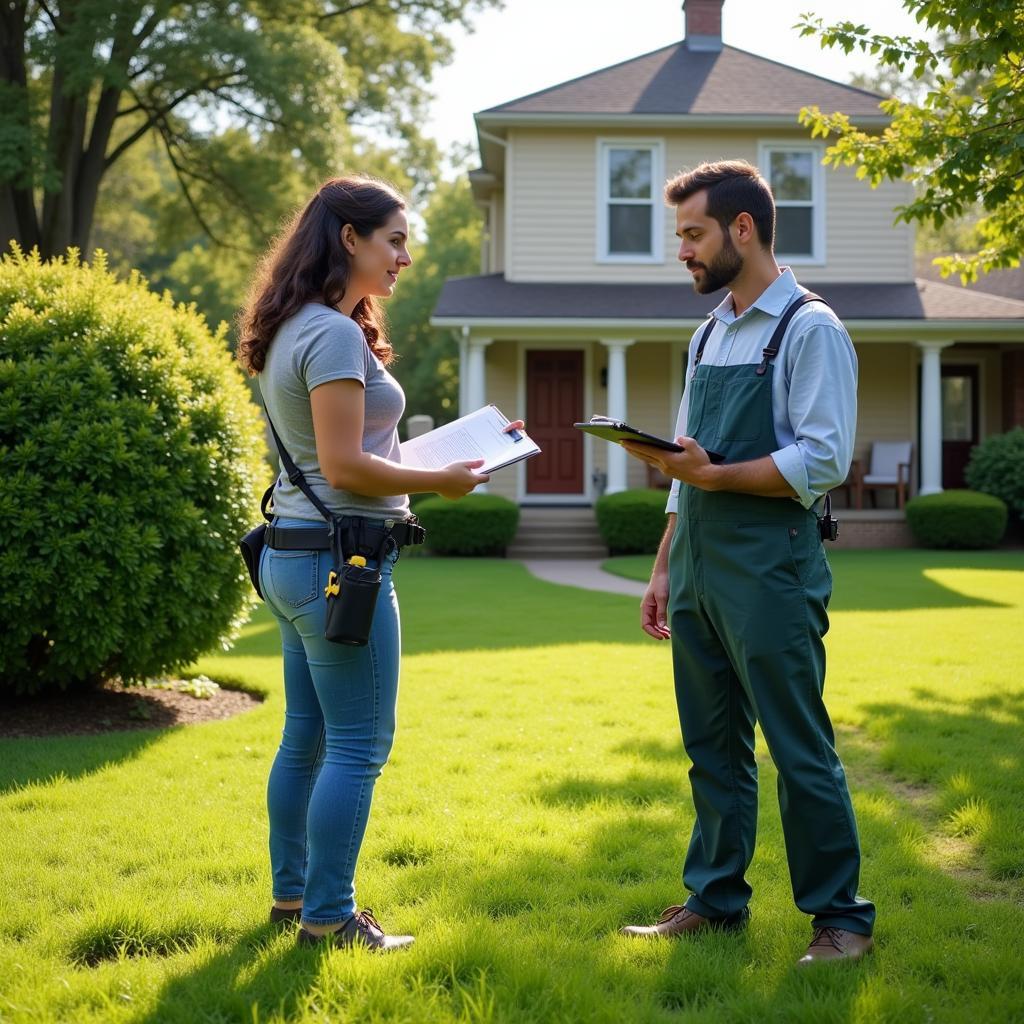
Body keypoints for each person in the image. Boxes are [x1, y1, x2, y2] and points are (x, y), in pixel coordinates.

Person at [237, 175, 522, 952]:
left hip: (296, 557)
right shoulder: (329, 333)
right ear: (349, 238)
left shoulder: (295, 325)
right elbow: (345, 466)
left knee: (307, 737)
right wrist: (443, 480)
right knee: (359, 744)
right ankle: (331, 917)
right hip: (343, 565)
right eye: (394, 238)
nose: (405, 255)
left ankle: (294, 899)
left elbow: (349, 455)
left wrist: (447, 456)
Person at [617, 160, 875, 965]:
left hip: (772, 567)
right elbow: (686, 462)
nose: (683, 253)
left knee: (799, 747)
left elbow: (823, 460)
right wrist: (664, 565)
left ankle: (841, 920)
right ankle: (716, 900)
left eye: (692, 235)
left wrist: (715, 477)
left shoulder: (810, 327)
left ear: (742, 228)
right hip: (697, 562)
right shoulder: (708, 330)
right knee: (712, 745)